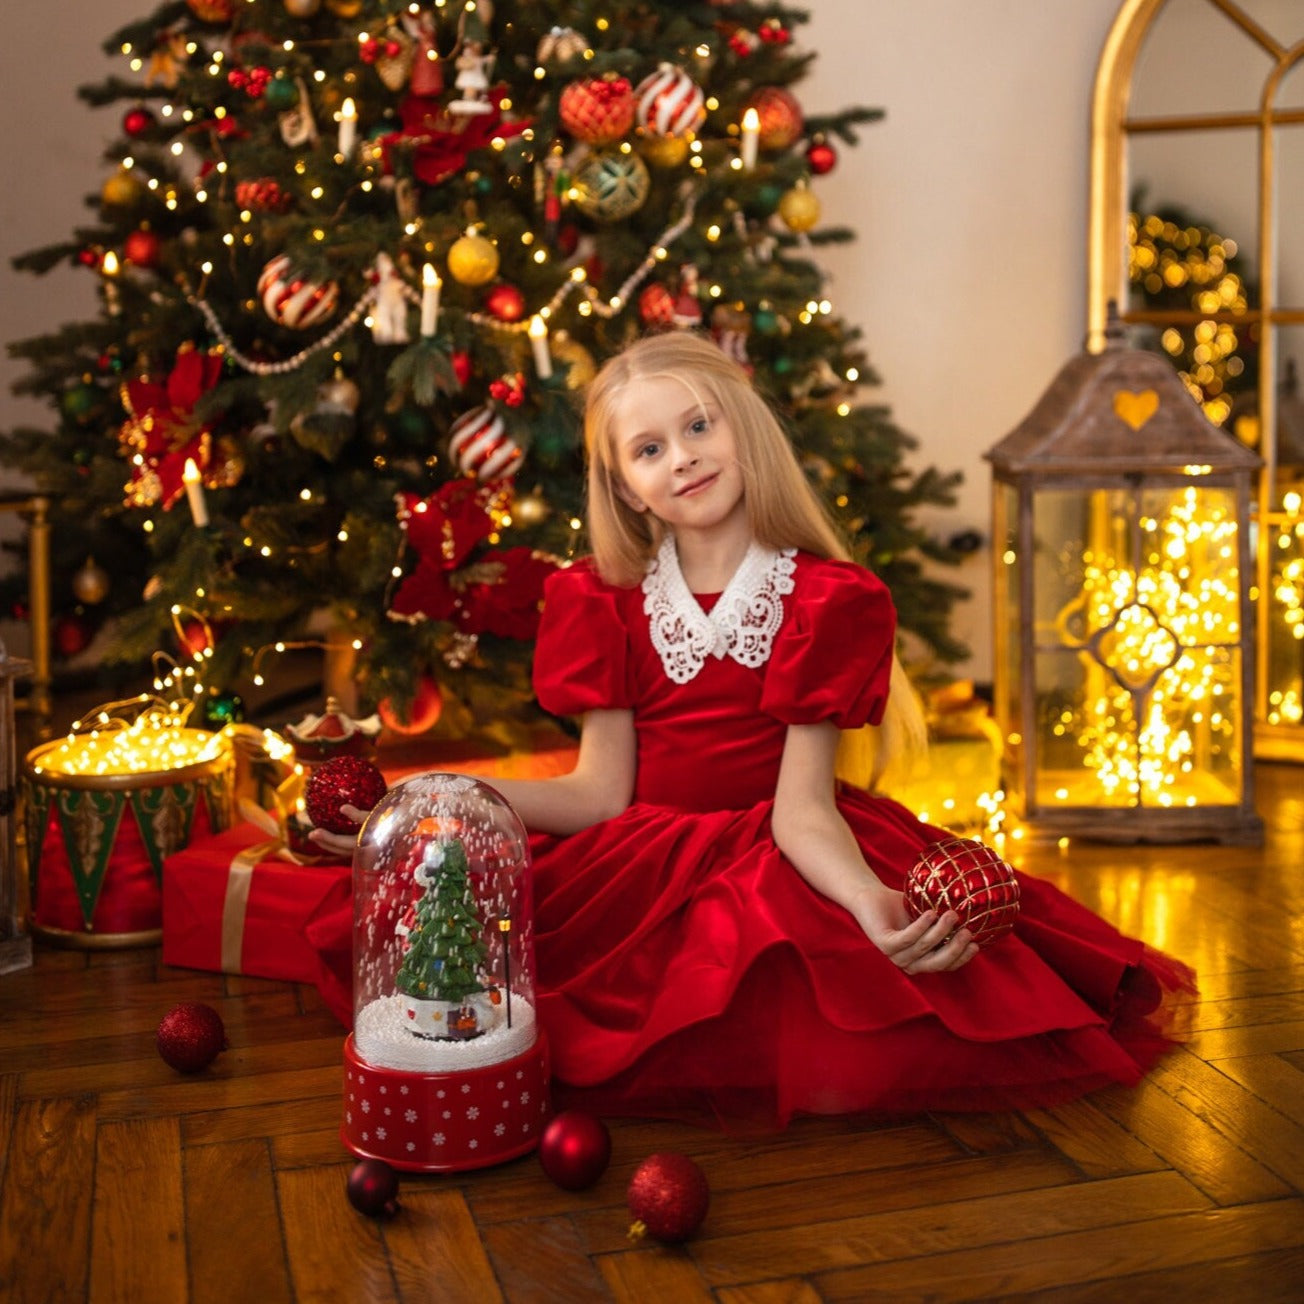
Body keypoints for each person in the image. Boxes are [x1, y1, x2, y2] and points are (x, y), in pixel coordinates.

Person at [316, 331, 1194, 1128]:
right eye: (650, 449)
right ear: (626, 485)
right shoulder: (602, 602)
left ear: (744, 428)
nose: (684, 460)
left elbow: (800, 814)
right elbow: (598, 794)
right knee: (486, 964)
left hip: (779, 848)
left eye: (700, 428)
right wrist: (436, 793)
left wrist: (864, 901)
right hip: (636, 863)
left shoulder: (825, 600)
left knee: (802, 986)